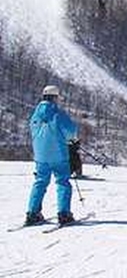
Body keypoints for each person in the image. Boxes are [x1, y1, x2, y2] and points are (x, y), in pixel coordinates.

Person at [25, 85, 79, 226]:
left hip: (40, 156)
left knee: (40, 182)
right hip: (58, 155)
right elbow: (71, 131)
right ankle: (64, 214)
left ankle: (33, 213)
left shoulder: (35, 115)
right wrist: (71, 139)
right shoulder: (57, 114)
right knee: (63, 182)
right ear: (55, 97)